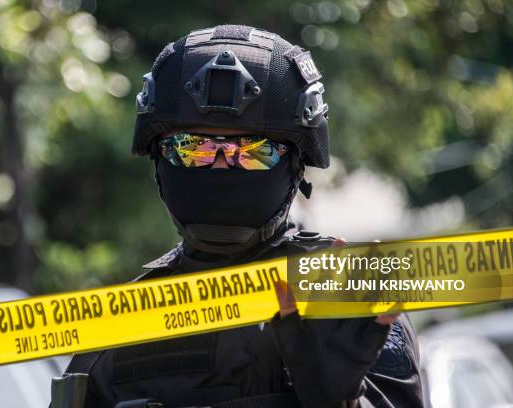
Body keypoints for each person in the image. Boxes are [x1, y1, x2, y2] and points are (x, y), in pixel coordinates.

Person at [61, 24, 424, 408]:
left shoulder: (346, 305)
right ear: (157, 159)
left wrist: (337, 401)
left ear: (297, 166)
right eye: (192, 149)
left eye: (251, 152)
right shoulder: (115, 325)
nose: (220, 167)